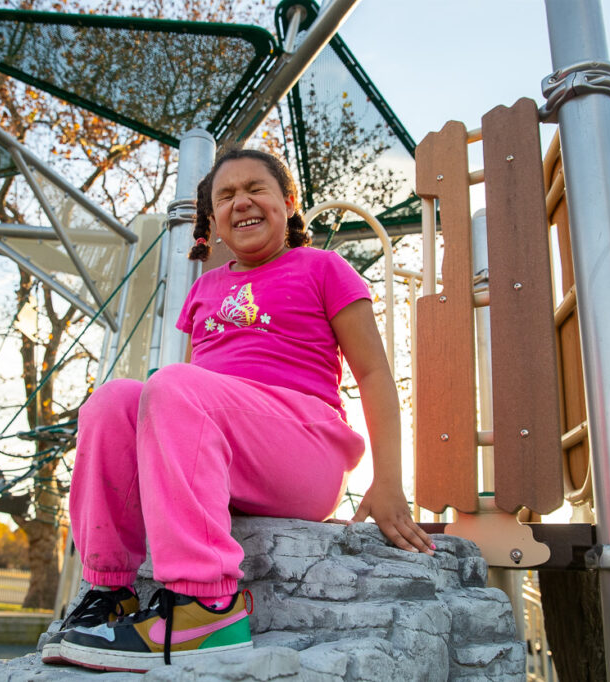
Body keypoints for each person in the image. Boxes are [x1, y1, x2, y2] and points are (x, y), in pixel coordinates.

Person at [47, 148, 434, 673]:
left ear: (288, 203)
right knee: (114, 399)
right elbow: (177, 401)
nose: (242, 202)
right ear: (212, 222)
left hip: (303, 445)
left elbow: (374, 374)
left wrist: (388, 483)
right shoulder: (205, 289)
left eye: (256, 188)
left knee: (174, 384)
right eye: (225, 196)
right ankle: (110, 591)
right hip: (223, 447)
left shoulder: (323, 267)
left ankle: (206, 607)